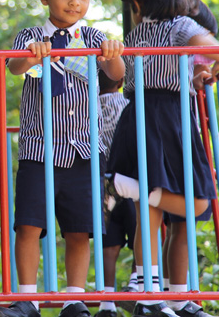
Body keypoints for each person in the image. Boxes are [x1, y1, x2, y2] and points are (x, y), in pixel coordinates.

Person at [0, 0, 125, 317]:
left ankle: (74, 299)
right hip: (41, 151)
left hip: (84, 150)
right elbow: (14, 66)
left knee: (79, 229)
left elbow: (116, 73)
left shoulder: (93, 37)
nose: (74, 2)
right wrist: (33, 56)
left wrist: (113, 53)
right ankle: (27, 299)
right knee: (29, 225)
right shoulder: (32, 36)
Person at [108, 0, 219, 317]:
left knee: (151, 216)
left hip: (139, 116)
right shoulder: (181, 27)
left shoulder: (136, 33)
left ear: (139, 1)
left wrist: (196, 75)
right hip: (170, 119)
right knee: (196, 206)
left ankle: (157, 297)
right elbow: (212, 46)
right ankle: (173, 296)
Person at [159, 0, 219, 317]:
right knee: (187, 212)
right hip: (176, 138)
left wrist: (201, 78)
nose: (205, 63)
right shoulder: (173, 61)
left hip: (186, 137)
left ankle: (176, 296)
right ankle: (166, 294)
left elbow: (197, 76)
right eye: (202, 55)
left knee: (182, 223)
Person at [95, 70, 137, 317]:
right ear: (121, 81)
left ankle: (106, 303)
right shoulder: (128, 105)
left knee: (109, 246)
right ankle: (136, 282)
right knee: (141, 233)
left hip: (102, 184)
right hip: (128, 182)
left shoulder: (88, 107)